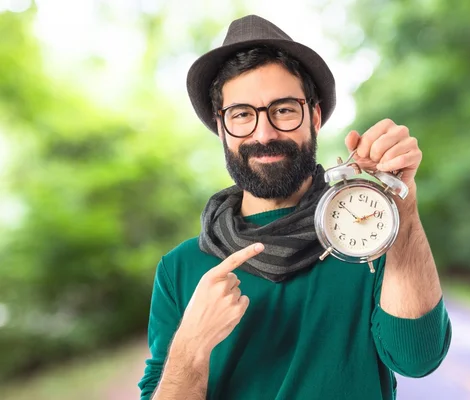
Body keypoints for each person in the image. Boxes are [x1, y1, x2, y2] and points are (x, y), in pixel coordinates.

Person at [138, 14, 451, 400]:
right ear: (222, 128)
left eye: (283, 110)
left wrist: (403, 202)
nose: (264, 133)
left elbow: (419, 358)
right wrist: (190, 346)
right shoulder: (180, 268)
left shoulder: (368, 235)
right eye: (242, 115)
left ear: (314, 117)